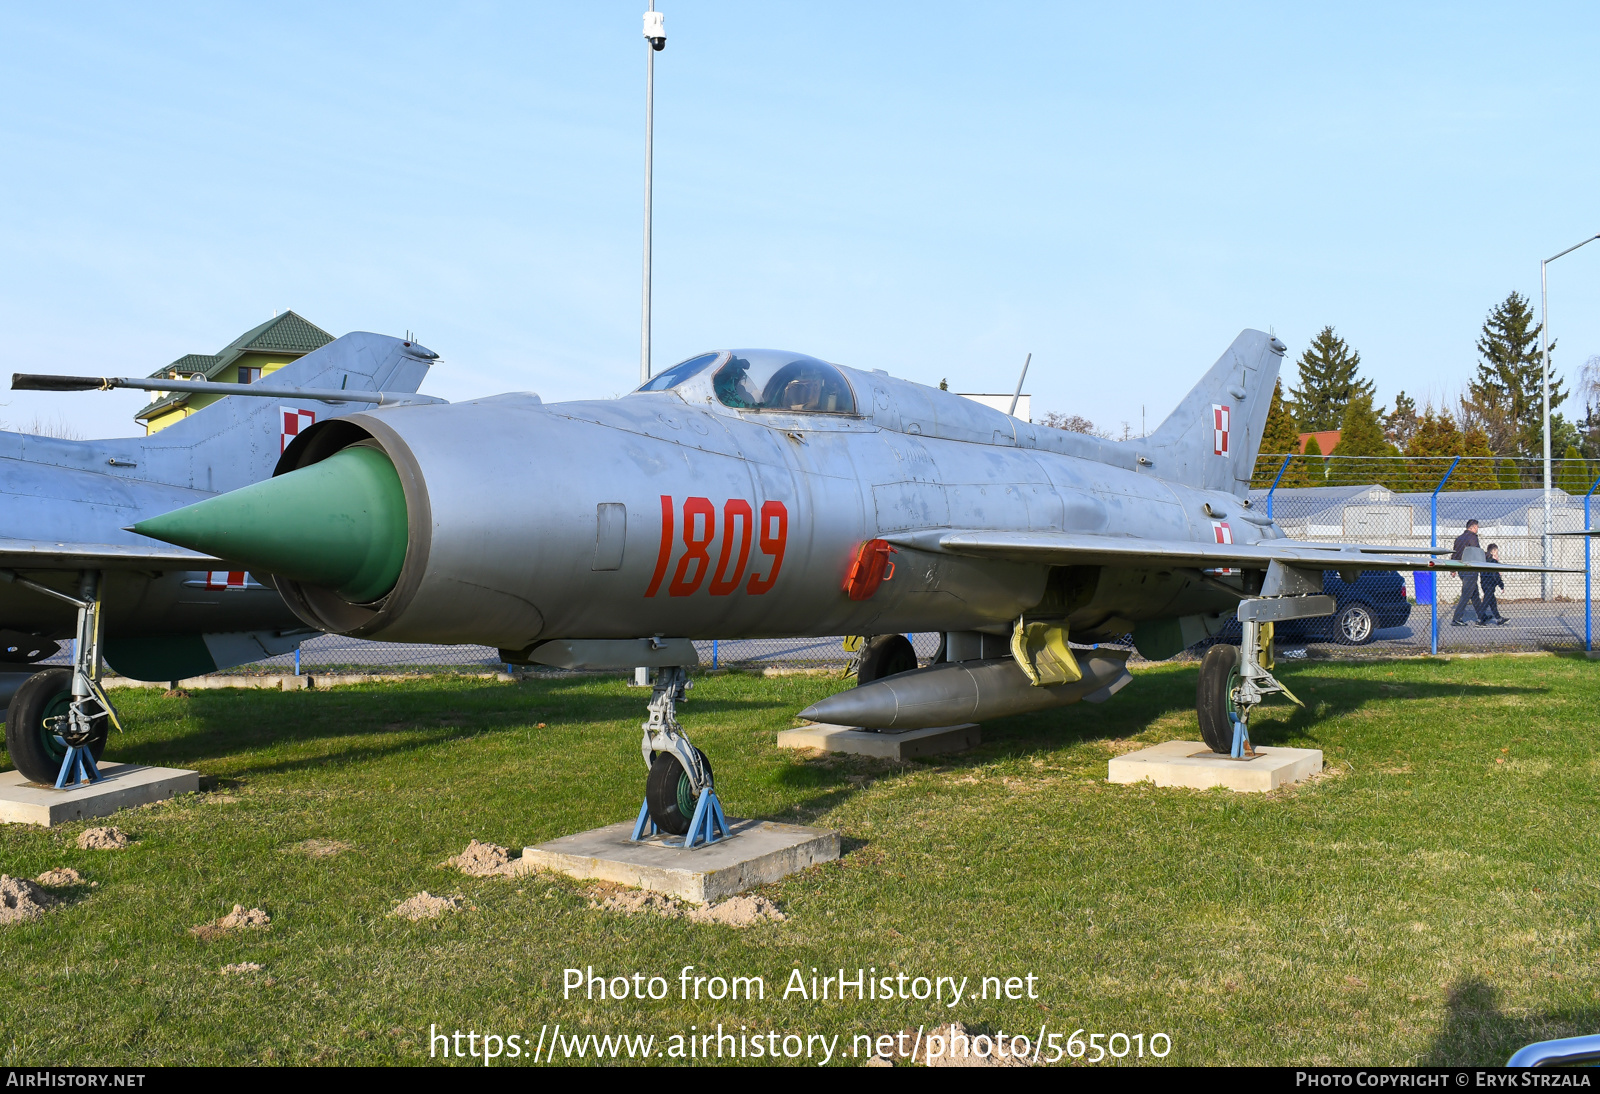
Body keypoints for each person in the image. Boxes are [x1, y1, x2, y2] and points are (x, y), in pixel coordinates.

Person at [1450, 519, 1483, 627]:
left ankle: (1482, 616)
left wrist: (1453, 568)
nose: (1477, 529)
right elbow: (1477, 551)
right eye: (1477, 527)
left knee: (1474, 594)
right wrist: (1489, 556)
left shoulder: (1459, 538)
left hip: (1461, 568)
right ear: (1473, 527)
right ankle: (1456, 618)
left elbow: (1455, 554)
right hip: (1470, 568)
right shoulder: (1472, 537)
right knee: (1466, 594)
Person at [1480, 544, 1507, 625]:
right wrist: (1501, 585)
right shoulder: (1493, 562)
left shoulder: (1484, 560)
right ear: (1493, 551)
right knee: (1485, 603)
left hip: (1484, 584)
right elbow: (1496, 575)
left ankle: (1499, 619)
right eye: (1496, 552)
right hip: (1490, 585)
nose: (1497, 554)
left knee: (1492, 602)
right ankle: (1479, 620)